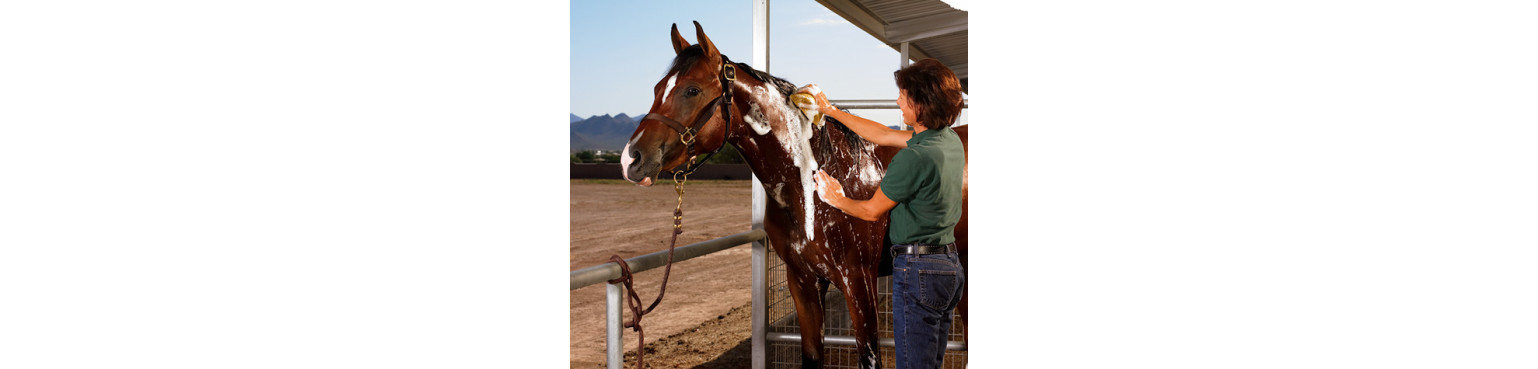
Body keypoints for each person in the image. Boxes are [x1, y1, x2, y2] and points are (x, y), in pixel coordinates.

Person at [810, 58, 966, 369]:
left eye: (904, 95)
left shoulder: (912, 159)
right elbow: (882, 135)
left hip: (917, 270)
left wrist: (836, 198)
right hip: (948, 266)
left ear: (921, 105)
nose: (898, 100)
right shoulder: (946, 141)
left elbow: (870, 211)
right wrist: (831, 110)